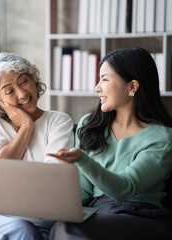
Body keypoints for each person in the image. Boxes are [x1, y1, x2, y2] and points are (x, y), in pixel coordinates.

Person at [48, 47, 172, 240]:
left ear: (132, 86)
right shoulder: (89, 126)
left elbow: (124, 189)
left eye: (104, 79)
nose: (97, 87)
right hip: (98, 213)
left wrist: (82, 160)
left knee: (69, 230)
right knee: (62, 226)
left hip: (141, 216)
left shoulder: (162, 137)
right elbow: (82, 194)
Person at [0, 52, 74, 240]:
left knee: (26, 230)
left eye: (23, 82)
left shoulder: (58, 122)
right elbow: (1, 170)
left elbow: (52, 184)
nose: (22, 94)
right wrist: (26, 127)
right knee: (22, 230)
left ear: (34, 80)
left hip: (41, 225)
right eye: (9, 91)